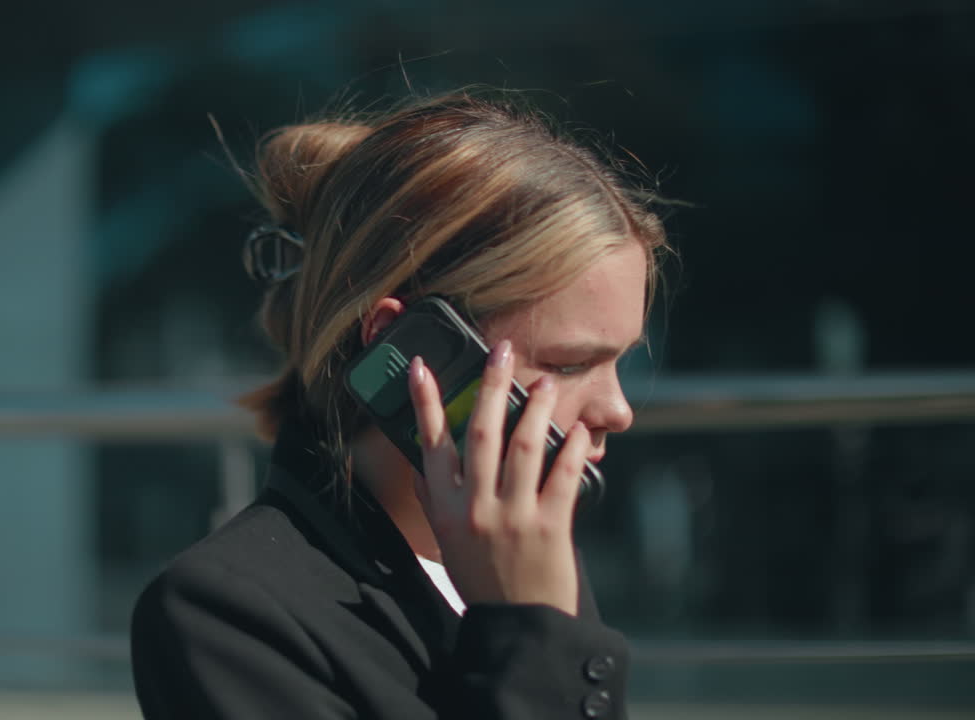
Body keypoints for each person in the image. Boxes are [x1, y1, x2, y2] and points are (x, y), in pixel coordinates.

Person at [130, 91, 669, 719]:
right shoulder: (225, 616)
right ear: (407, 350)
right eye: (568, 363)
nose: (618, 408)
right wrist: (531, 631)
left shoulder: (527, 549)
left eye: (621, 360)